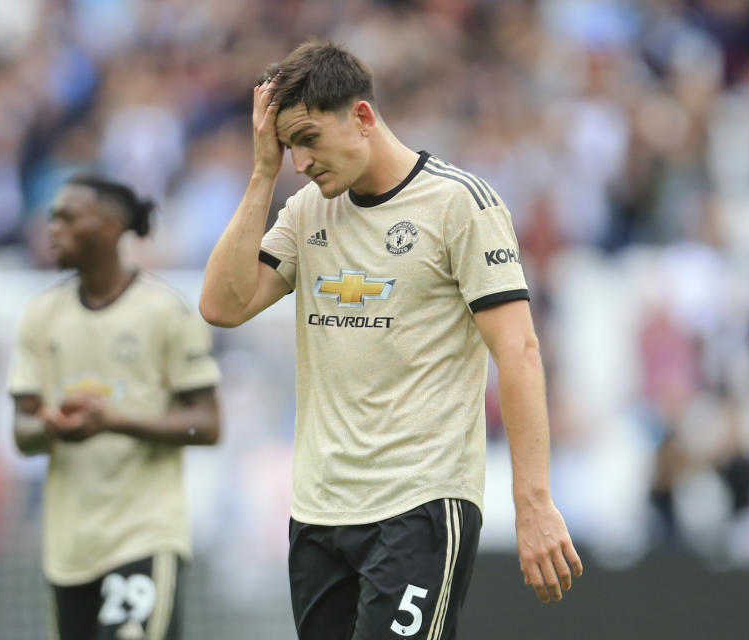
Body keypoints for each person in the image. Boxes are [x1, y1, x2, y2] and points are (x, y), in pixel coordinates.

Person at [199, 40, 582, 639]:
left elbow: (520, 352)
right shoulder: (305, 213)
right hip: (319, 513)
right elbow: (221, 305)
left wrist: (533, 501)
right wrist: (261, 173)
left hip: (420, 506)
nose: (300, 161)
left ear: (362, 117)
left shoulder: (460, 205)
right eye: (288, 146)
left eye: (308, 139)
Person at [9, 174, 222, 640]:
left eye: (67, 218)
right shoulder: (40, 316)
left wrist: (114, 421)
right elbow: (22, 432)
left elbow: (207, 424)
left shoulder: (165, 311)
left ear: (108, 227)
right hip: (70, 548)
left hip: (143, 532)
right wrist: (49, 426)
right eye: (51, 219)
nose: (53, 229)